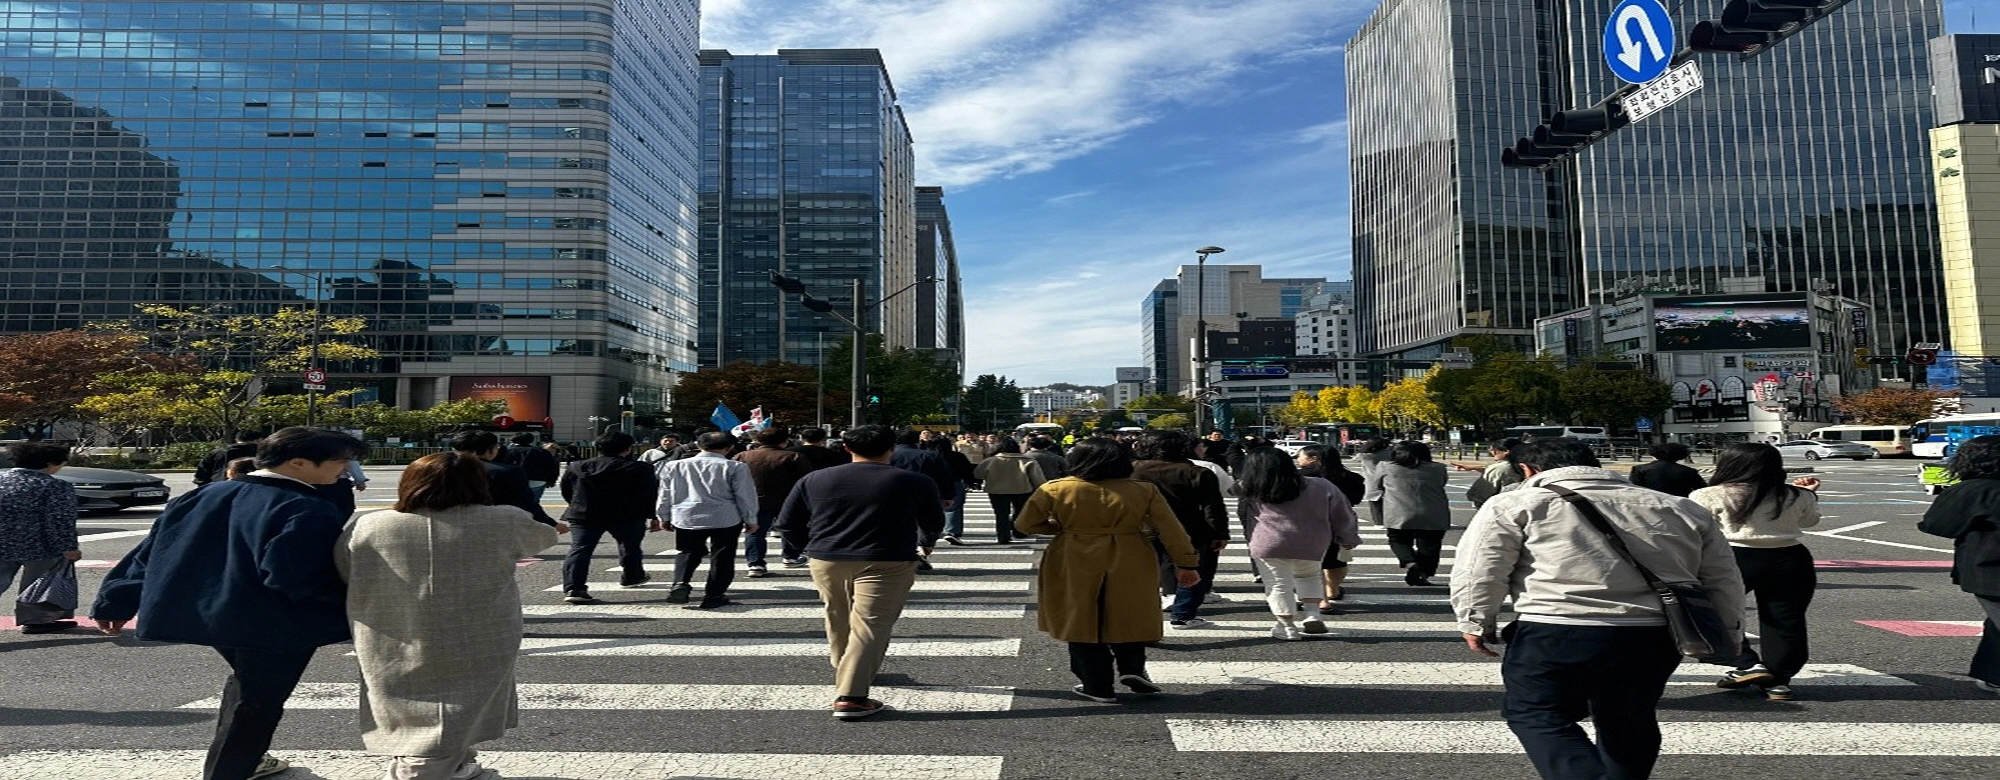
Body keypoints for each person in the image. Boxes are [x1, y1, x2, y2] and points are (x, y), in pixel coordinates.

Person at [1450, 437, 1745, 780]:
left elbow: (1480, 569)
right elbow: (1723, 577)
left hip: (1557, 625)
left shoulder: (1516, 504)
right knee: (1629, 716)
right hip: (1656, 632)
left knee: (1534, 712)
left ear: (1527, 470)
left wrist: (1475, 619)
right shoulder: (1680, 507)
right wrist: (1729, 632)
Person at [91, 427, 369, 780]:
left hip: (210, 610)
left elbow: (152, 551)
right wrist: (351, 611)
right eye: (341, 460)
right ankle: (231, 770)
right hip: (273, 621)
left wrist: (115, 600)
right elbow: (294, 575)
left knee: (246, 689)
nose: (346, 468)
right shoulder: (307, 507)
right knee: (256, 704)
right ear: (298, 463)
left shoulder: (204, 494)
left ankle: (248, 760)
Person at [335, 452, 557, 780]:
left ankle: (442, 761)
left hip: (395, 628)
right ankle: (424, 769)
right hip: (480, 628)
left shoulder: (370, 524)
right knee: (468, 699)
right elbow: (545, 537)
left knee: (400, 699)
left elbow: (345, 568)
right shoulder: (504, 518)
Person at [774, 425, 945, 720]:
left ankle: (849, 670)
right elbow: (932, 521)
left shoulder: (815, 479)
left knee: (837, 615)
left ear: (846, 448)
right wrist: (925, 544)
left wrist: (808, 547)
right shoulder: (914, 481)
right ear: (890, 448)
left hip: (827, 557)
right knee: (871, 623)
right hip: (887, 558)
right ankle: (852, 695)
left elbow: (787, 523)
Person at [1015, 439, 1201, 703]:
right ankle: (1133, 668)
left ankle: (1096, 684)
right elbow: (1171, 530)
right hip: (1130, 552)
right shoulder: (1143, 490)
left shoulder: (1055, 488)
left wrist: (1062, 528)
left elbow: (1025, 524)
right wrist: (1187, 563)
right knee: (1129, 611)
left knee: (1081, 617)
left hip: (1073, 553)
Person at [1688, 442, 1822, 701]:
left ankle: (1747, 663)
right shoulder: (1795, 494)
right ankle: (1778, 681)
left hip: (1735, 556)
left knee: (1713, 613)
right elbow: (1809, 521)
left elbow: (1698, 529)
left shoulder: (1708, 494)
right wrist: (1811, 494)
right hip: (1790, 557)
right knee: (1786, 619)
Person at [1237, 447, 1361, 640]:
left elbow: (1235, 498)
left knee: (1278, 584)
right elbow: (1342, 513)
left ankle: (1286, 626)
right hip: (1313, 542)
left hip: (1268, 542)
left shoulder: (1250, 486)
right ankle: (1313, 614)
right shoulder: (1321, 485)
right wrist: (1348, 538)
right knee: (1309, 576)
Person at [1922, 434, 2000, 696]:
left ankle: (1993, 675)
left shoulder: (1970, 491)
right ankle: (1992, 674)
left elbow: (1937, 525)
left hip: (1988, 569)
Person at [1129, 430, 1230, 630]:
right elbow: (1213, 506)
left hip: (1141, 527)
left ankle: (1141, 613)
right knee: (1193, 569)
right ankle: (1183, 614)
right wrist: (1219, 533)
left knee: (1147, 570)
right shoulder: (1198, 472)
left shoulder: (1132, 469)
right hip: (1190, 526)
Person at [654, 431, 759, 609]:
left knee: (687, 551)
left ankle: (680, 582)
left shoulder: (674, 466)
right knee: (722, 556)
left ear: (699, 445)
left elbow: (665, 494)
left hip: (686, 515)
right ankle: (714, 595)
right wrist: (750, 518)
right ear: (729, 447)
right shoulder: (735, 467)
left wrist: (663, 516)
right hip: (725, 517)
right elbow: (745, 495)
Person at [557, 431, 660, 604]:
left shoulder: (577, 466)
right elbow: (648, 494)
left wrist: (575, 504)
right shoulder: (640, 468)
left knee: (580, 549)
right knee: (630, 546)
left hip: (584, 513)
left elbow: (567, 489)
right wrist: (653, 516)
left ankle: (574, 587)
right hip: (627, 514)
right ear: (628, 449)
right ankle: (632, 576)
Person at [0, 442, 81, 634]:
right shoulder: (55, 486)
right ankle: (36, 620)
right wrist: (70, 546)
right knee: (38, 583)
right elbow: (61, 519)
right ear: (50, 463)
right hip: (41, 543)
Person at [1367, 440, 1452, 587]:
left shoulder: (1385, 467)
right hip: (1433, 511)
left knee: (1398, 540)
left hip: (1398, 511)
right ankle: (1423, 575)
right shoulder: (1439, 468)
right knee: (1430, 545)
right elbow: (1441, 483)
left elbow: (1376, 487)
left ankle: (1411, 563)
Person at [735, 427, 812, 575]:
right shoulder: (794, 456)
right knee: (789, 528)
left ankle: (755, 563)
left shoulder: (743, 456)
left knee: (754, 532)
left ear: (757, 441)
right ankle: (790, 556)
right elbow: (804, 480)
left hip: (754, 500)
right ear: (785, 441)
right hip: (788, 499)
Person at [1297, 444, 1365, 611]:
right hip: (1341, 522)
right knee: (1336, 560)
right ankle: (1332, 590)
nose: (1298, 460)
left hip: (1306, 523)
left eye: (1301, 456)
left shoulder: (1298, 478)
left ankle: (1321, 599)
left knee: (1312, 562)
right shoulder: (1352, 478)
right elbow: (1355, 500)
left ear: (1313, 459)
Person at [449, 430, 558, 529]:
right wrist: (550, 523)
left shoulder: (439, 468)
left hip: (448, 524)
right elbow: (526, 503)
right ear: (490, 450)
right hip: (493, 525)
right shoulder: (507, 471)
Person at [973, 438, 1046, 544]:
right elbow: (1037, 478)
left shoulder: (991, 461)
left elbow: (978, 474)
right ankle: (1019, 532)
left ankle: (1003, 536)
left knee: (1001, 514)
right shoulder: (1027, 460)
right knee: (1020, 512)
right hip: (1022, 489)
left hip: (997, 490)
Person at [921, 436, 976, 546]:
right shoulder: (957, 456)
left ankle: (929, 533)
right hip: (954, 482)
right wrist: (971, 482)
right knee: (953, 509)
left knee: (929, 509)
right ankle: (952, 532)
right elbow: (967, 471)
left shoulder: (926, 456)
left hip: (930, 483)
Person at [1455, 438, 1523, 509]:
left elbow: (1480, 495)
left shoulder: (1498, 468)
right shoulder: (1526, 465)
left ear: (1506, 451)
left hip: (1499, 508)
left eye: (1494, 450)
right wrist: (1476, 468)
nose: (1491, 452)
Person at [1630, 442, 1708, 498]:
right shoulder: (1688, 471)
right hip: (1680, 504)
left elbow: (1635, 490)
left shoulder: (1639, 469)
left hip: (1651, 502)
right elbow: (1702, 489)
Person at [497, 433, 560, 501]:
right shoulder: (541, 451)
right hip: (537, 480)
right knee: (533, 503)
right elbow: (551, 467)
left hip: (513, 480)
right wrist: (552, 480)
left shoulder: (507, 451)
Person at [194, 430, 264, 486]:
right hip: (251, 488)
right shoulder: (262, 453)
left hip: (216, 486)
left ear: (237, 439)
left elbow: (201, 474)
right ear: (259, 440)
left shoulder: (217, 452)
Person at [1354, 437, 1393, 525]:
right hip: (1389, 479)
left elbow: (1355, 458)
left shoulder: (1366, 456)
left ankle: (1378, 522)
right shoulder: (1390, 454)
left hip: (1372, 480)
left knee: (1375, 503)